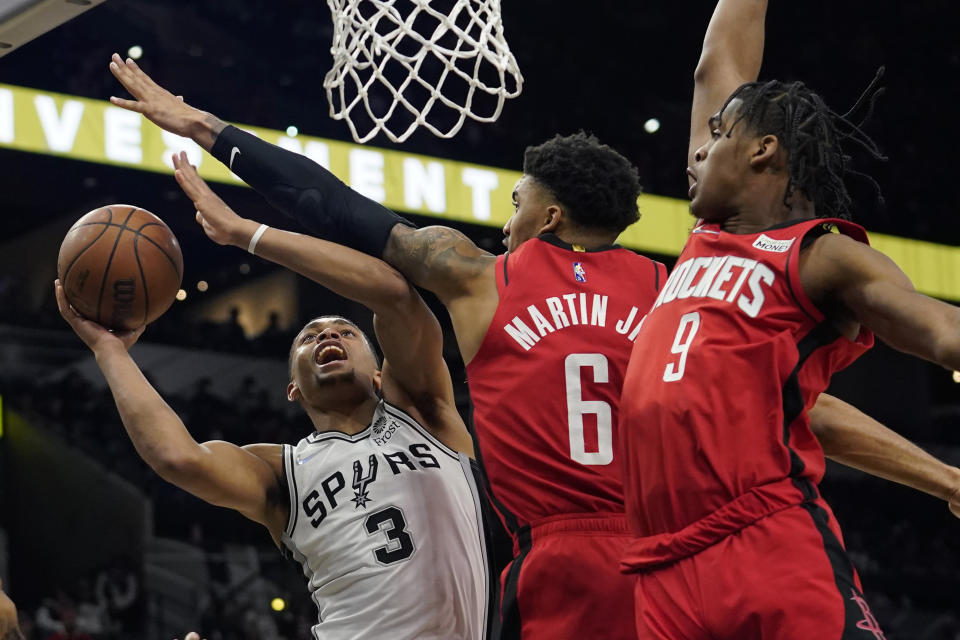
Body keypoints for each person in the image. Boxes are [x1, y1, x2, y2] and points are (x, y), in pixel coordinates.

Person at [110, 55, 960, 640]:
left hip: (567, 562)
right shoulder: (681, 293)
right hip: (683, 548)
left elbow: (336, 204)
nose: (504, 218)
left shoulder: (482, 278)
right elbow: (798, 406)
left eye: (515, 202)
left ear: (548, 216)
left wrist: (211, 133)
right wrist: (939, 478)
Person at [617, 0, 960, 637]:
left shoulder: (821, 254)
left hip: (762, 541)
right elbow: (714, 66)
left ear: (763, 150)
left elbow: (939, 330)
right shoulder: (707, 235)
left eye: (717, 137)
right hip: (661, 566)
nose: (698, 151)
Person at [55, 157, 490, 638]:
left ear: (381, 375)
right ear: (292, 389)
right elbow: (178, 458)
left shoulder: (423, 411)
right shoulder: (283, 472)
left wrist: (246, 234)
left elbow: (394, 293)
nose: (328, 336)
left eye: (346, 331)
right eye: (309, 337)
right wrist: (109, 350)